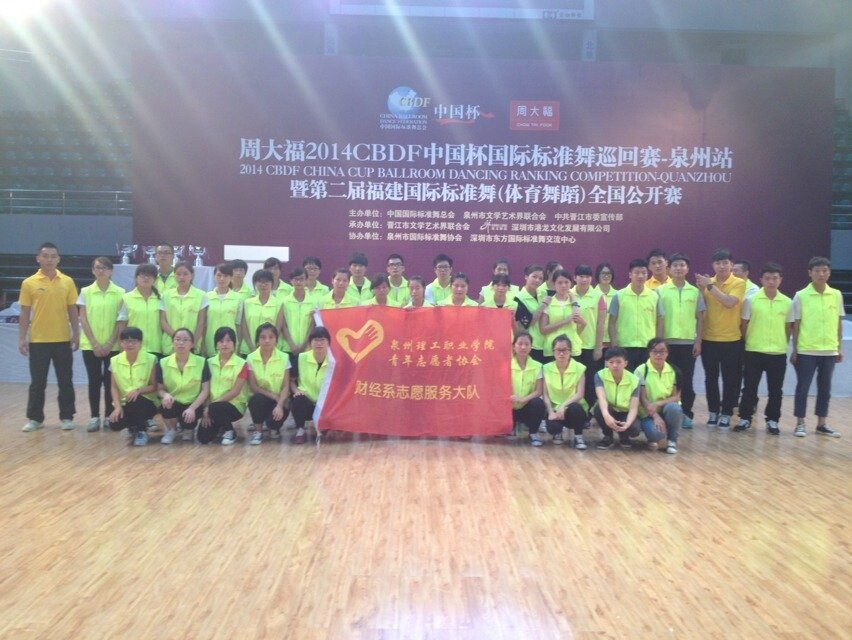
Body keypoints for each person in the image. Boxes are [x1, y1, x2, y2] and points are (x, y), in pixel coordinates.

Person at [19, 242, 80, 432]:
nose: (49, 260)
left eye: (53, 256)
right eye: (45, 256)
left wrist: (76, 334)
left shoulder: (67, 281)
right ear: (38, 258)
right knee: (38, 382)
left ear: (58, 259)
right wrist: (22, 338)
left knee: (65, 381)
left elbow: (72, 310)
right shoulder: (29, 283)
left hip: (62, 339)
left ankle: (67, 417)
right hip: (38, 341)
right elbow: (24, 312)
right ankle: (35, 418)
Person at [735, 263, 793, 435]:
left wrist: (781, 343)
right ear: (761, 280)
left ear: (781, 280)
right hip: (754, 350)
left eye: (775, 278)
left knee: (776, 390)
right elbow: (744, 324)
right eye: (767, 278)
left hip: (778, 353)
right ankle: (745, 418)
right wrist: (750, 341)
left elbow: (788, 327)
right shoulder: (751, 300)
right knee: (749, 388)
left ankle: (772, 420)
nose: (771, 281)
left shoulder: (787, 302)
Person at [790, 256, 845, 438]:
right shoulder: (800, 295)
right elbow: (796, 325)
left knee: (825, 388)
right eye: (817, 271)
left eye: (824, 271)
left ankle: (822, 424)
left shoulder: (836, 294)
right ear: (810, 273)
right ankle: (800, 423)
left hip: (829, 350)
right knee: (803, 387)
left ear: (829, 273)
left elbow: (838, 322)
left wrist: (838, 347)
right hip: (807, 349)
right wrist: (795, 350)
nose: (821, 274)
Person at [695, 248, 746, 428]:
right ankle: (713, 411)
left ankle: (726, 414)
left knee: (730, 379)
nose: (722, 266)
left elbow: (729, 302)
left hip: (732, 340)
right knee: (710, 378)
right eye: (718, 263)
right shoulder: (708, 282)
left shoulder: (739, 283)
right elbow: (700, 309)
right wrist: (702, 288)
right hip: (709, 339)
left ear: (732, 264)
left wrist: (709, 286)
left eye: (725, 262)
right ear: (713, 265)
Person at [656, 253, 704, 428]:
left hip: (688, 343)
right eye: (675, 265)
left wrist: (698, 342)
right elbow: (658, 318)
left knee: (686, 381)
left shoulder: (695, 292)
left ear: (687, 269)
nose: (678, 268)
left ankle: (686, 414)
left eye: (682, 265)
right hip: (667, 344)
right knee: (667, 381)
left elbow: (700, 318)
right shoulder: (660, 291)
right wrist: (659, 343)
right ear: (669, 268)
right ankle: (667, 413)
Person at [78, 256, 124, 432]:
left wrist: (111, 342)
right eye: (97, 267)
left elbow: (121, 320)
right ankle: (94, 417)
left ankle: (109, 416)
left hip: (113, 346)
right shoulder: (85, 292)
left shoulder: (120, 292)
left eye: (105, 268)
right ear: (93, 270)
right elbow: (83, 319)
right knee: (94, 381)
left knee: (111, 382)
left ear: (111, 271)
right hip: (91, 346)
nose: (101, 271)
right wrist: (95, 343)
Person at [157, 328, 210, 444]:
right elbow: (159, 389)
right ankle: (172, 430)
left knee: (188, 420)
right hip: (174, 400)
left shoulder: (201, 362)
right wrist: (165, 395)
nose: (181, 343)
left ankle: (189, 429)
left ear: (192, 344)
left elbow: (205, 390)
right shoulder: (163, 362)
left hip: (193, 403)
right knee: (166, 404)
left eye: (185, 340)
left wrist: (192, 408)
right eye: (177, 339)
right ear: (172, 343)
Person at [107, 327, 159, 446]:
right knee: (115, 423)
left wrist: (138, 391)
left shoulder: (151, 359)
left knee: (135, 400)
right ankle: (133, 426)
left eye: (134, 341)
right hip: (125, 401)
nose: (130, 344)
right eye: (126, 341)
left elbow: (154, 386)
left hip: (147, 401)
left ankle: (141, 431)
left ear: (140, 343)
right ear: (121, 343)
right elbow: (113, 387)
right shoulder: (114, 361)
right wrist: (117, 407)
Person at [608, 258, 663, 370]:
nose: (640, 276)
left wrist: (657, 345)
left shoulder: (654, 296)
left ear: (647, 274)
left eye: (643, 273)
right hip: (624, 346)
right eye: (637, 272)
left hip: (648, 346)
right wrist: (614, 345)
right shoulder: (619, 296)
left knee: (645, 378)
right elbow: (611, 322)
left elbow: (660, 322)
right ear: (630, 274)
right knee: (626, 379)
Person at [200, 326, 248, 445]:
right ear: (216, 344)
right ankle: (220, 425)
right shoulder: (208, 362)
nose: (224, 344)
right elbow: (205, 389)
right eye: (221, 341)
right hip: (213, 406)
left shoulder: (242, 364)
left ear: (234, 343)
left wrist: (210, 407)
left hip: (235, 405)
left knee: (216, 408)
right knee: (203, 438)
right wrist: (207, 407)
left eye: (228, 340)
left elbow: (235, 391)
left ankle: (230, 431)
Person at [541, 335, 589, 449]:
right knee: (552, 428)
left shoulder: (579, 368)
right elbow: (545, 395)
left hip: (573, 408)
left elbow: (580, 394)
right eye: (558, 350)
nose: (561, 353)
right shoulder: (546, 368)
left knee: (576, 408)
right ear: (553, 352)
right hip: (555, 409)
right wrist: (550, 412)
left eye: (565, 350)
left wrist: (564, 406)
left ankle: (578, 436)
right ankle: (558, 432)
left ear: (570, 351)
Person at [246, 323, 291, 445]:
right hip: (262, 397)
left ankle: (274, 428)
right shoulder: (250, 358)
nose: (267, 340)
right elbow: (253, 386)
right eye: (263, 337)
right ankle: (258, 431)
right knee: (255, 399)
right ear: (258, 340)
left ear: (276, 339)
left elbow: (286, 386)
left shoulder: (284, 357)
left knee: (274, 421)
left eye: (271, 337)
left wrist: (279, 404)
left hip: (280, 399)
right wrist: (273, 397)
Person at [636, 338, 683, 454]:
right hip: (647, 412)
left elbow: (676, 397)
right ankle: (650, 430)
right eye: (654, 351)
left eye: (662, 351)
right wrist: (656, 416)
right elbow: (642, 399)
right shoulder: (641, 370)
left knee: (675, 408)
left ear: (667, 353)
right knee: (656, 434)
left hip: (665, 409)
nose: (658, 354)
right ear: (649, 352)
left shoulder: (674, 371)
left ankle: (672, 441)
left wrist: (658, 403)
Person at [571, 264, 606, 411]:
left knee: (591, 381)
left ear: (591, 278)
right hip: (572, 346)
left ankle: (589, 413)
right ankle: (574, 411)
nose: (584, 279)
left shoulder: (598, 296)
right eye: (581, 276)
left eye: (587, 277)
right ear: (575, 278)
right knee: (574, 381)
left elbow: (601, 323)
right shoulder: (568, 294)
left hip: (590, 346)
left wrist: (598, 347)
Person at [593, 347, 641, 449]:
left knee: (635, 430)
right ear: (607, 363)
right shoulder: (599, 375)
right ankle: (608, 436)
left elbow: (633, 408)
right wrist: (607, 416)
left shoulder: (635, 380)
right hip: (609, 409)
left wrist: (627, 424)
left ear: (625, 363)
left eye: (619, 362)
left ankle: (624, 435)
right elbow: (601, 398)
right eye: (611, 362)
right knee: (598, 409)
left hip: (625, 412)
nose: (615, 365)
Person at [291, 326, 332, 444]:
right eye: (316, 340)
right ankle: (300, 430)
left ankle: (328, 426)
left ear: (329, 343)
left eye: (322, 340)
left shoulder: (334, 361)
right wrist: (296, 391)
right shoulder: (301, 358)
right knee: (298, 399)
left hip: (326, 404)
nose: (319, 343)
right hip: (307, 402)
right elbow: (291, 380)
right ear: (310, 343)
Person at [160, 261, 208, 356]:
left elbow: (201, 322)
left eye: (185, 274)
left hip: (193, 346)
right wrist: (177, 339)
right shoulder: (166, 295)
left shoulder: (201, 295)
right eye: (178, 274)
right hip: (170, 345)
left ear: (192, 275)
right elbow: (163, 321)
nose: (181, 277)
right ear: (174, 276)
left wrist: (191, 343)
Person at [117, 263, 163, 357]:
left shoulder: (161, 299)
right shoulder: (127, 298)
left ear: (155, 279)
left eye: (150, 276)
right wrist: (122, 348)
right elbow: (122, 325)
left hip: (156, 347)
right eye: (142, 275)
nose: (146, 278)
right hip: (132, 347)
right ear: (136, 278)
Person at [540, 269, 585, 363]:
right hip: (553, 349)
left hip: (572, 348)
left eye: (566, 282)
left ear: (571, 283)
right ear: (554, 284)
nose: (563, 285)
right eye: (560, 283)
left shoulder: (575, 302)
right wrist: (565, 321)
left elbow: (578, 330)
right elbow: (543, 330)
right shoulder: (548, 302)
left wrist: (583, 323)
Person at [509, 332, 546, 444]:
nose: (523, 347)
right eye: (520, 344)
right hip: (509, 406)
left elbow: (539, 391)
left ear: (531, 347)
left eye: (527, 344)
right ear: (513, 346)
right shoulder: (506, 364)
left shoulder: (538, 366)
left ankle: (533, 433)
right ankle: (509, 428)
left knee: (538, 403)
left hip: (526, 406)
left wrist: (522, 400)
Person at [240, 268, 284, 356]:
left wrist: (268, 346)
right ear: (255, 283)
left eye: (267, 282)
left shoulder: (279, 303)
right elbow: (244, 327)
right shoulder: (247, 303)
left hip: (270, 349)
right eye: (260, 282)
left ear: (272, 284)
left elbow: (277, 328)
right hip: (248, 349)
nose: (263, 285)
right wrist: (251, 347)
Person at [205, 262, 243, 357]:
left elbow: (238, 325)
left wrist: (238, 345)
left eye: (226, 276)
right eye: (219, 275)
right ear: (214, 276)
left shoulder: (238, 298)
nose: (222, 279)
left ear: (231, 278)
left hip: (230, 343)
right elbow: (203, 324)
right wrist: (202, 345)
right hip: (211, 342)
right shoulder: (206, 297)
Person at [281, 267, 315, 365]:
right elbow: (283, 325)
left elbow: (312, 325)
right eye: (296, 279)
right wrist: (291, 344)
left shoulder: (313, 302)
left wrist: (304, 345)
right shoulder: (284, 301)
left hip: (307, 348)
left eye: (302, 279)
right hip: (288, 348)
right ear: (291, 281)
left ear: (306, 280)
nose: (299, 282)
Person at [515, 264, 547, 363]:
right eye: (534, 276)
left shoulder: (543, 294)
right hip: (531, 346)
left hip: (546, 345)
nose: (537, 280)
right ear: (526, 276)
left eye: (540, 278)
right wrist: (543, 304)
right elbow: (529, 322)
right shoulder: (518, 298)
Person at [594, 262, 616, 353]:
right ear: (598, 275)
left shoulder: (617, 295)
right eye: (603, 273)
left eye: (608, 273)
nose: (606, 276)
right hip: (594, 341)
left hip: (613, 341)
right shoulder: (592, 295)